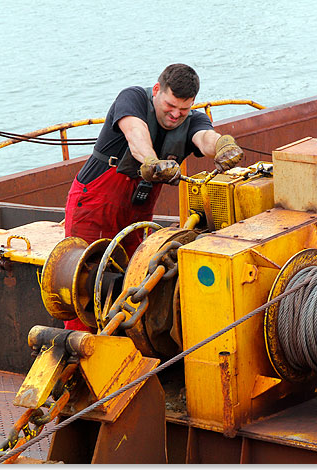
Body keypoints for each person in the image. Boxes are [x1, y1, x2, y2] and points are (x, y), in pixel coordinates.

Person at [63, 63, 244, 331]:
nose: (175, 114)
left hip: (137, 213)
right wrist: (151, 161)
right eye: (170, 105)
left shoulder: (193, 120)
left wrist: (221, 145)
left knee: (132, 276)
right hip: (95, 204)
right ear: (157, 90)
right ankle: (78, 353)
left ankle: (123, 344)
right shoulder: (133, 99)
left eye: (183, 109)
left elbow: (205, 138)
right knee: (83, 282)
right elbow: (136, 135)